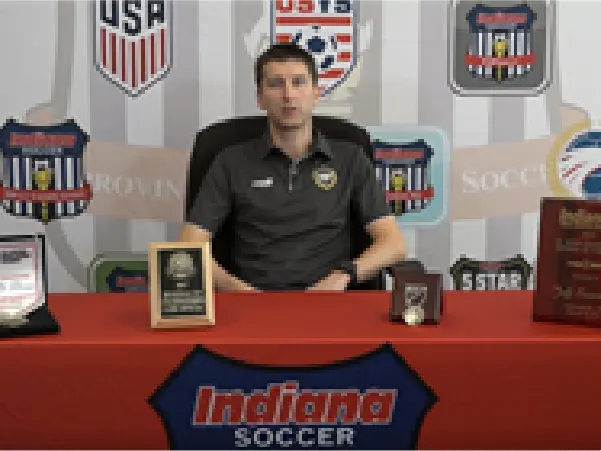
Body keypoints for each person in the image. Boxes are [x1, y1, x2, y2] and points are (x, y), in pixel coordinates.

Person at [180, 43, 406, 291]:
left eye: (298, 82)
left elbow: (393, 244)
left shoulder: (350, 158)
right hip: (253, 304)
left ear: (315, 94)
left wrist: (343, 278)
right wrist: (239, 291)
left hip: (329, 302)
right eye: (276, 84)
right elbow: (190, 246)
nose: (288, 95)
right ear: (260, 98)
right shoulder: (230, 161)